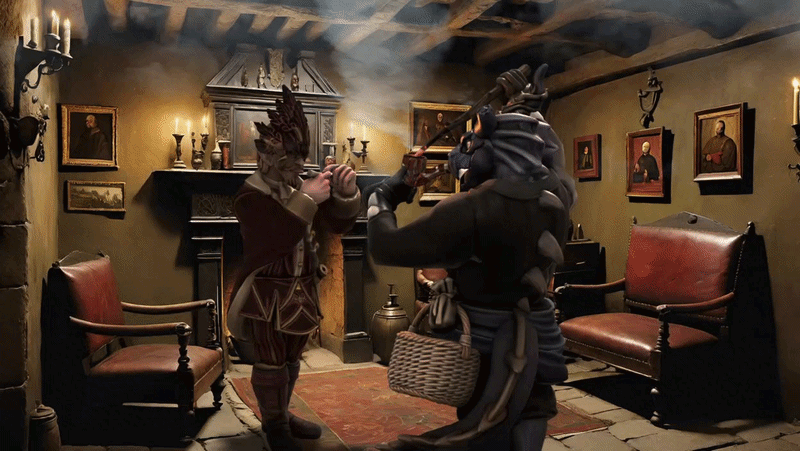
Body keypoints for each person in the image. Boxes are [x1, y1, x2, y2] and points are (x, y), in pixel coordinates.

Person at [365, 66, 576, 451]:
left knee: (481, 422)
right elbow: (553, 157)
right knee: (533, 406)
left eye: (473, 147)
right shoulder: (556, 198)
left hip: (482, 339)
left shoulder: (469, 209)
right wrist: (525, 108)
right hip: (536, 329)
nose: (463, 157)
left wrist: (384, 196)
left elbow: (385, 247)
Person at [226, 86, 361, 451]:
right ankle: (274, 425)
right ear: (269, 158)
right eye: (292, 162)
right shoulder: (249, 195)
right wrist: (308, 198)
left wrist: (345, 193)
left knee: (290, 358)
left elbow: (336, 225)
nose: (300, 168)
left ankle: (282, 415)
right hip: (266, 293)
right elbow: (274, 236)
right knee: (270, 361)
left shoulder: (301, 187)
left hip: (301, 289)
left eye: (301, 161)